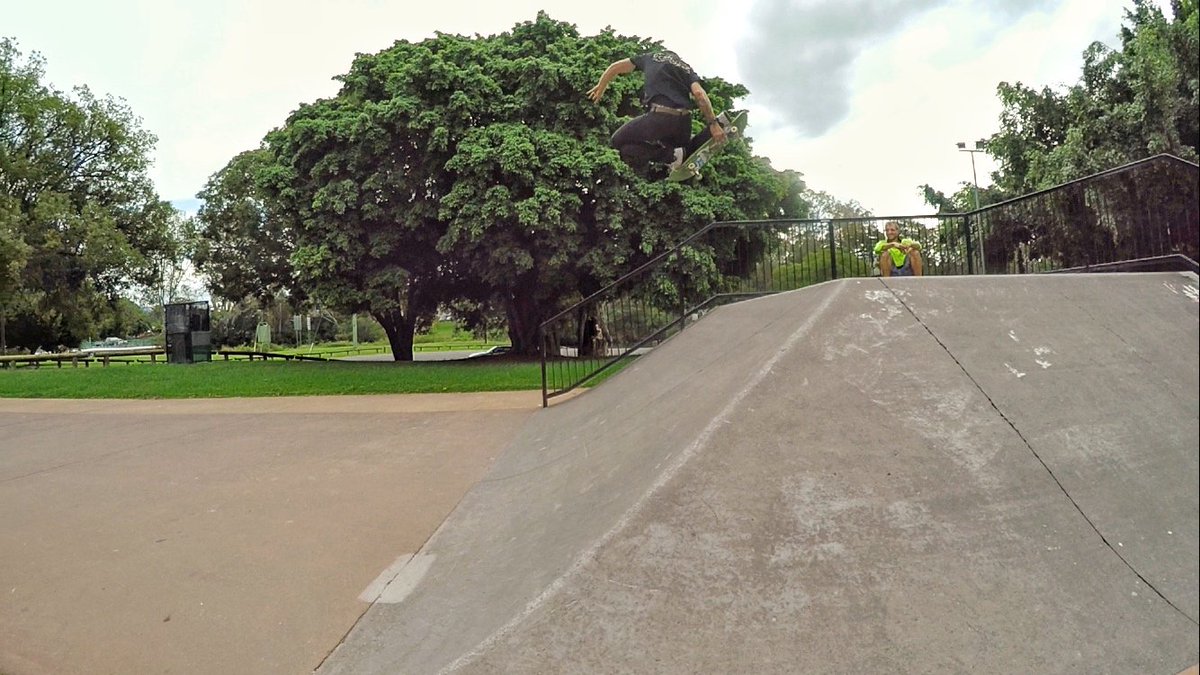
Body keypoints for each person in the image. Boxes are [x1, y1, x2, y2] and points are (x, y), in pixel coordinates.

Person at [587, 50, 726, 175]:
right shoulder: (687, 69)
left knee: (619, 142)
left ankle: (670, 156)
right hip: (684, 125)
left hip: (660, 118)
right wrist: (713, 123)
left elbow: (615, 67)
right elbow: (699, 94)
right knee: (684, 151)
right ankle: (717, 126)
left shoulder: (650, 57)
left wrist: (601, 86)